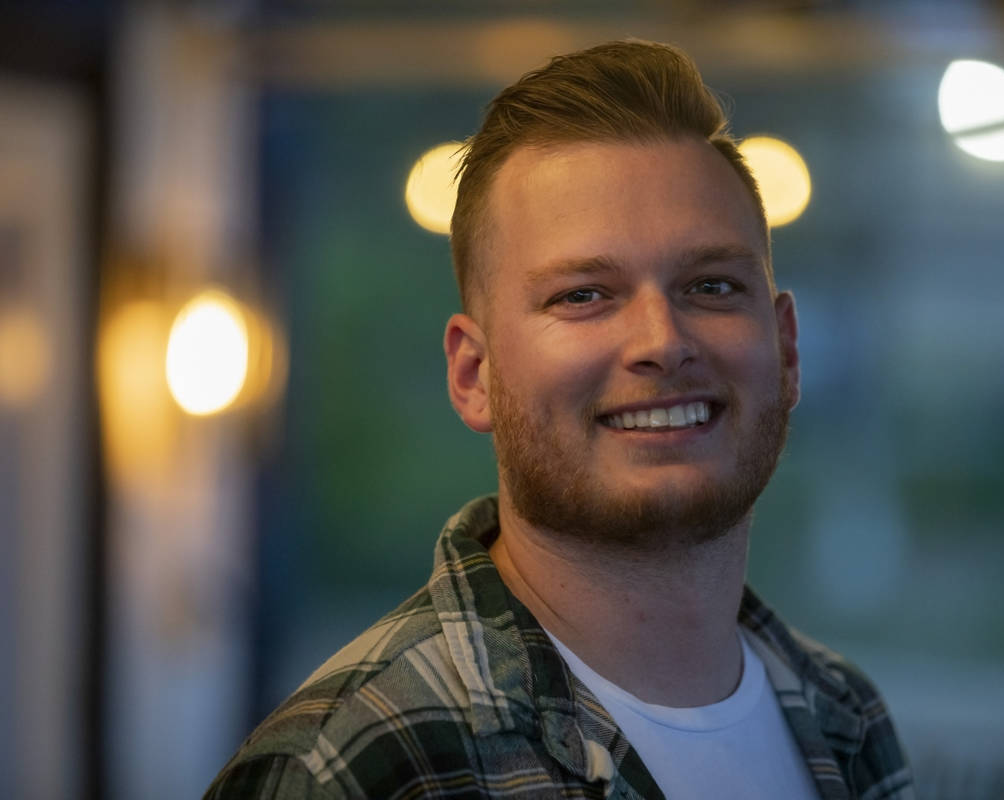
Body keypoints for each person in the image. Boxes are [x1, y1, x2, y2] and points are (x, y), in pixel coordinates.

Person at [206, 39, 913, 800]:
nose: (663, 342)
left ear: (786, 349)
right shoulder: (350, 765)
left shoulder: (851, 721)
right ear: (473, 375)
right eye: (583, 295)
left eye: (710, 285)